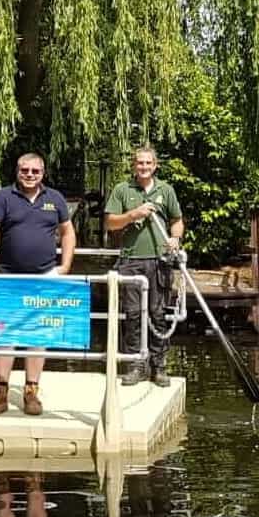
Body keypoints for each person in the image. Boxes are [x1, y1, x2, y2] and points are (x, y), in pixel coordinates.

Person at [0, 153, 76, 417]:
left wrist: (65, 265)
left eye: (35, 171)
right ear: (17, 171)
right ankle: (0, 392)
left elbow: (68, 232)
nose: (29, 175)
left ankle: (31, 391)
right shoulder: (3, 197)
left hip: (44, 277)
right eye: (24, 170)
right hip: (8, 277)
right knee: (4, 334)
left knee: (37, 336)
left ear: (43, 172)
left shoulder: (55, 199)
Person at [104, 146, 183, 387]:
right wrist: (133, 214)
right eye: (140, 163)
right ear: (134, 165)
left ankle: (159, 366)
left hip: (159, 261)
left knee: (158, 315)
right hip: (131, 261)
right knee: (133, 315)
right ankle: (136, 365)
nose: (144, 167)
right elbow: (110, 224)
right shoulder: (122, 190)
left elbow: (177, 220)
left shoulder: (165, 190)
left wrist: (175, 238)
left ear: (155, 165)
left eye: (148, 163)